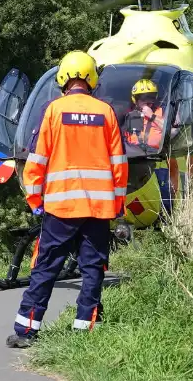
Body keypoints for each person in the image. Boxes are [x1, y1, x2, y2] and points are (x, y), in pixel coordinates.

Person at [7, 50, 128, 349]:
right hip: (98, 208)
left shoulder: (54, 110)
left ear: (63, 77)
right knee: (93, 267)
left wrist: (35, 200)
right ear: (92, 79)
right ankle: (84, 328)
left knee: (46, 266)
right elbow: (119, 165)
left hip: (60, 207)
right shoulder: (106, 113)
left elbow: (37, 161)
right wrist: (116, 208)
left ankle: (26, 330)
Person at [123, 79, 165, 150]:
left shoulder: (160, 111)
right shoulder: (128, 113)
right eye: (143, 98)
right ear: (135, 99)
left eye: (151, 97)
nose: (148, 102)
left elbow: (171, 131)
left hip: (156, 154)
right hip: (133, 153)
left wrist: (152, 116)